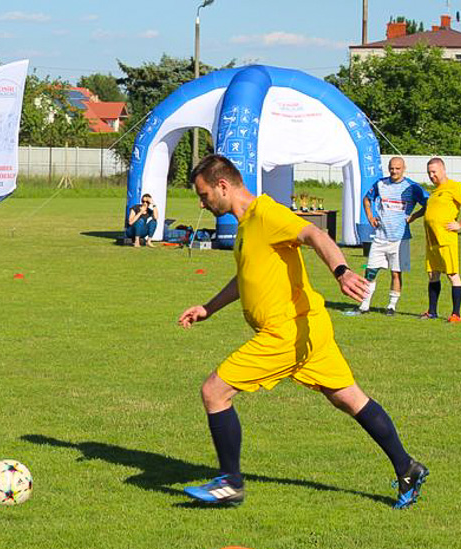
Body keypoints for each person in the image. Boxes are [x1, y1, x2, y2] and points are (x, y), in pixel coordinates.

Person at [177, 154, 427, 509]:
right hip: (310, 327)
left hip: (285, 332)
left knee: (214, 392)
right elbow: (246, 278)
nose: (202, 203)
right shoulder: (247, 225)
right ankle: (407, 467)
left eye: (203, 195)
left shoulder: (266, 214)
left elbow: (313, 233)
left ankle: (230, 482)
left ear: (222, 186)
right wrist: (208, 308)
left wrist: (341, 271)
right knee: (349, 398)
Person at [352, 157, 427, 315]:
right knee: (370, 271)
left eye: (397, 168)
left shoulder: (412, 187)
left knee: (395, 273)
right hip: (380, 236)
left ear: (404, 168)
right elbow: (367, 199)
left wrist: (414, 216)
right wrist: (371, 217)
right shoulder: (380, 184)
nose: (394, 171)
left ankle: (391, 306)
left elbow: (428, 204)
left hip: (400, 239)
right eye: (392, 168)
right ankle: (364, 305)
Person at [421, 157, 461, 322]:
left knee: (452, 274)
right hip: (431, 240)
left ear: (443, 170)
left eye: (434, 172)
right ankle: (432, 311)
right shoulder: (435, 190)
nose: (432, 176)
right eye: (429, 172)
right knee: (433, 274)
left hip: (446, 238)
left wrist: (460, 224)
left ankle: (456, 314)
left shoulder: (454, 186)